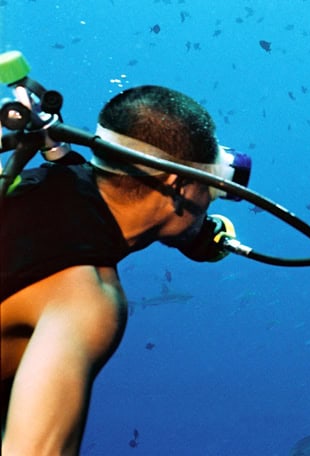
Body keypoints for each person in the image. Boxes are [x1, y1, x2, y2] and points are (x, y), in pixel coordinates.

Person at [1, 85, 227, 455]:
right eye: (212, 188)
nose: (210, 205)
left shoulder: (56, 180)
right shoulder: (88, 297)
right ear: (178, 184)